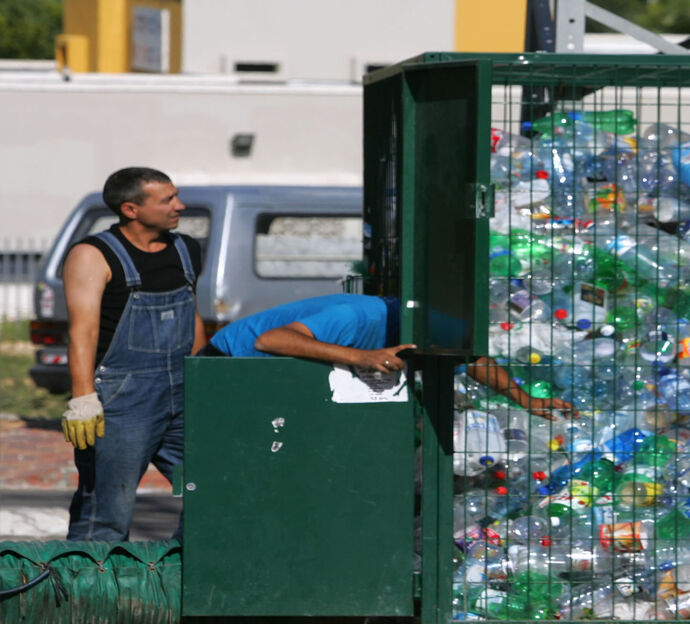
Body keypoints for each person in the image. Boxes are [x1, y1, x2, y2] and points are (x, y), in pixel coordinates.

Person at [61, 167, 206, 540]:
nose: (180, 205)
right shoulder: (92, 255)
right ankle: (88, 592)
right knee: (107, 510)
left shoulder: (185, 249)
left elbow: (192, 316)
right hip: (122, 399)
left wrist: (207, 379)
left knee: (217, 486)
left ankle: (179, 574)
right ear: (131, 209)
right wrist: (82, 398)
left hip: (183, 387)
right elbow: (83, 330)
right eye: (168, 200)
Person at [202, 293, 575, 418]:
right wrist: (361, 358)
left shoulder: (428, 332)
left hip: (275, 378)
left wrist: (525, 399)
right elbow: (270, 341)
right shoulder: (357, 318)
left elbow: (474, 360)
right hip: (230, 365)